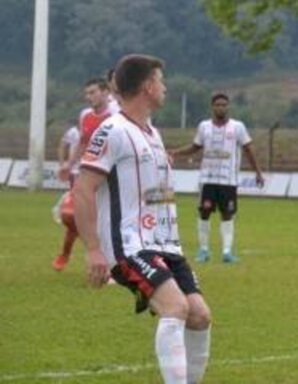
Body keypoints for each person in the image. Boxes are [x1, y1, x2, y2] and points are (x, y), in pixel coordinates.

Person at [73, 54, 212, 384]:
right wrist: (94, 250)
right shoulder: (112, 131)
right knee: (175, 308)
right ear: (148, 87)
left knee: (200, 316)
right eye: (161, 81)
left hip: (166, 245)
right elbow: (83, 189)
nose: (164, 87)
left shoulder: (152, 133)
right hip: (130, 246)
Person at [172, 92, 264, 264]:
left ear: (228, 107)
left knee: (227, 215)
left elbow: (248, 150)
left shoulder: (238, 127)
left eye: (224, 104)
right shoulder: (204, 126)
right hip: (208, 180)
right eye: (218, 104)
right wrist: (175, 153)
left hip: (228, 181)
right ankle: (203, 250)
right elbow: (195, 147)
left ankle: (227, 252)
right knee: (204, 213)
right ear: (212, 107)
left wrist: (257, 172)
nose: (221, 107)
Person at [52, 77, 117, 271]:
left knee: (106, 219)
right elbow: (82, 141)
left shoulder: (116, 116)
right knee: (72, 216)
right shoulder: (85, 115)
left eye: (93, 92)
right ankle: (67, 253)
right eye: (87, 93)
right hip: (85, 173)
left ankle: (111, 265)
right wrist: (68, 165)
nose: (89, 97)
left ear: (106, 92)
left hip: (108, 175)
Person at [50, 122, 80, 270]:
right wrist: (64, 164)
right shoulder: (74, 131)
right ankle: (65, 254)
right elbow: (62, 144)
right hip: (77, 175)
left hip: (100, 176)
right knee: (70, 216)